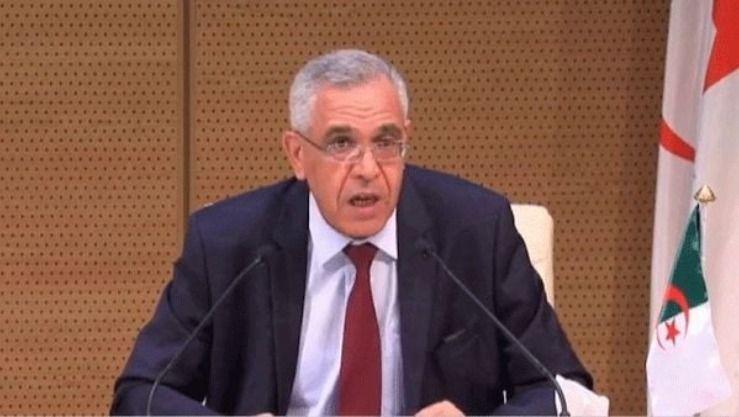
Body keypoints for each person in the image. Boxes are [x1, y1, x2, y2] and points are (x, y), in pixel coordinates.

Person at [111, 49, 592, 416]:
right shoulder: (229, 244)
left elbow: (565, 389)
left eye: (386, 142)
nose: (367, 169)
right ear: (297, 154)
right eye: (341, 143)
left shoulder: (476, 231)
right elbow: (140, 395)